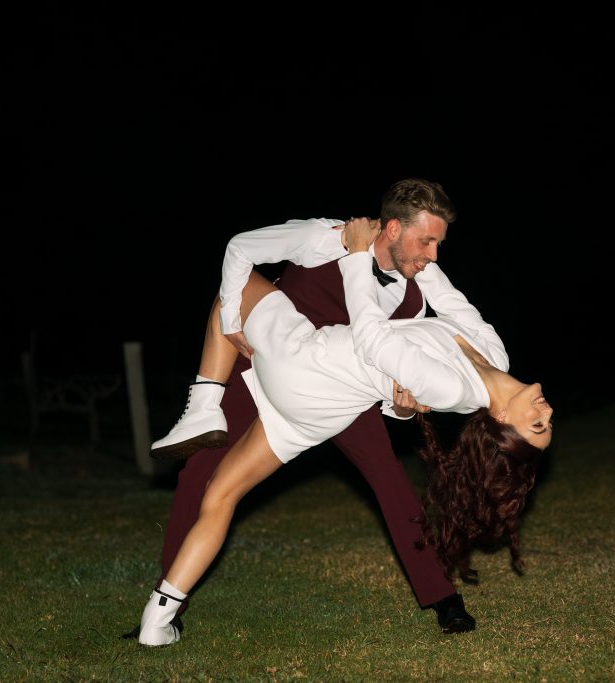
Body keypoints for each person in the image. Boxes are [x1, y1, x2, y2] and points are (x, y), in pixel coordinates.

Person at [135, 218, 553, 646]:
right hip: (299, 380)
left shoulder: (413, 313)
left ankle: (443, 597)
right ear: (395, 228)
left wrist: (401, 407)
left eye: (538, 424)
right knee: (208, 485)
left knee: (387, 478)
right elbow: (445, 301)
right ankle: (164, 612)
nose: (430, 254)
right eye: (426, 241)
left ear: (502, 419)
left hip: (315, 371)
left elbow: (384, 351)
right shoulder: (493, 354)